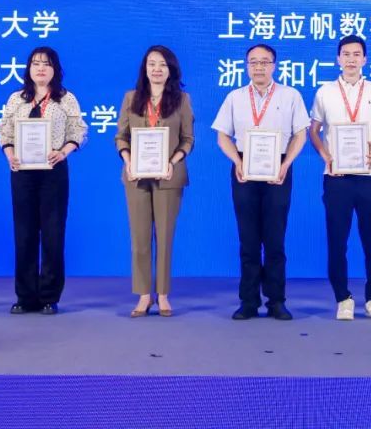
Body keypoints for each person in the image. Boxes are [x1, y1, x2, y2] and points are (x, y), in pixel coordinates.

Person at [213, 43, 309, 321]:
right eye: (253, 62)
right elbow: (222, 136)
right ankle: (248, 301)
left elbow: (300, 134)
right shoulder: (235, 97)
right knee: (249, 238)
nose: (259, 67)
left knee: (275, 238)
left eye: (264, 62)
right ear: (246, 66)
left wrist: (286, 164)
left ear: (274, 66)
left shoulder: (290, 96)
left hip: (279, 167)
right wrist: (237, 161)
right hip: (244, 168)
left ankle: (276, 301)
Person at [308, 35, 371, 321]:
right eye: (346, 54)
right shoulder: (325, 92)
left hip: (370, 176)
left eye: (357, 54)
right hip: (337, 177)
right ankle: (343, 298)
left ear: (365, 59)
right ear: (338, 59)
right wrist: (326, 156)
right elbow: (313, 130)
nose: (351, 59)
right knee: (337, 241)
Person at [0, 46, 88, 316]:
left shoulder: (65, 99)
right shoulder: (17, 99)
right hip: (22, 172)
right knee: (24, 234)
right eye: (35, 63)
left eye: (46, 64)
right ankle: (25, 296)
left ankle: (49, 296)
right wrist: (10, 155)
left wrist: (63, 152)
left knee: (52, 234)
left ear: (55, 69)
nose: (40, 68)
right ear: (28, 68)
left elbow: (78, 131)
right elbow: (5, 131)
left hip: (53, 172)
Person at [115, 45, 195, 318]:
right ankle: (143, 295)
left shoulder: (182, 99)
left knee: (164, 237)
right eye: (151, 64)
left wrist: (172, 162)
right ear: (145, 68)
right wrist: (128, 160)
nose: (157, 69)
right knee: (139, 238)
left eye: (162, 64)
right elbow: (121, 136)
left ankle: (162, 295)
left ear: (171, 69)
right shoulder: (131, 98)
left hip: (169, 176)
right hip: (136, 176)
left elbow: (188, 139)